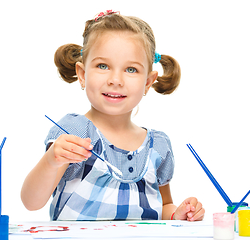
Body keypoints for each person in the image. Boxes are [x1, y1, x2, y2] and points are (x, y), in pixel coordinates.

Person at [21, 10, 205, 221]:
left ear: (148, 82)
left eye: (131, 69)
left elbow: (162, 206)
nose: (115, 80)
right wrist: (51, 160)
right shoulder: (75, 133)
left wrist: (178, 214)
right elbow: (31, 202)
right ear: (82, 74)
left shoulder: (158, 145)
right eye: (103, 66)